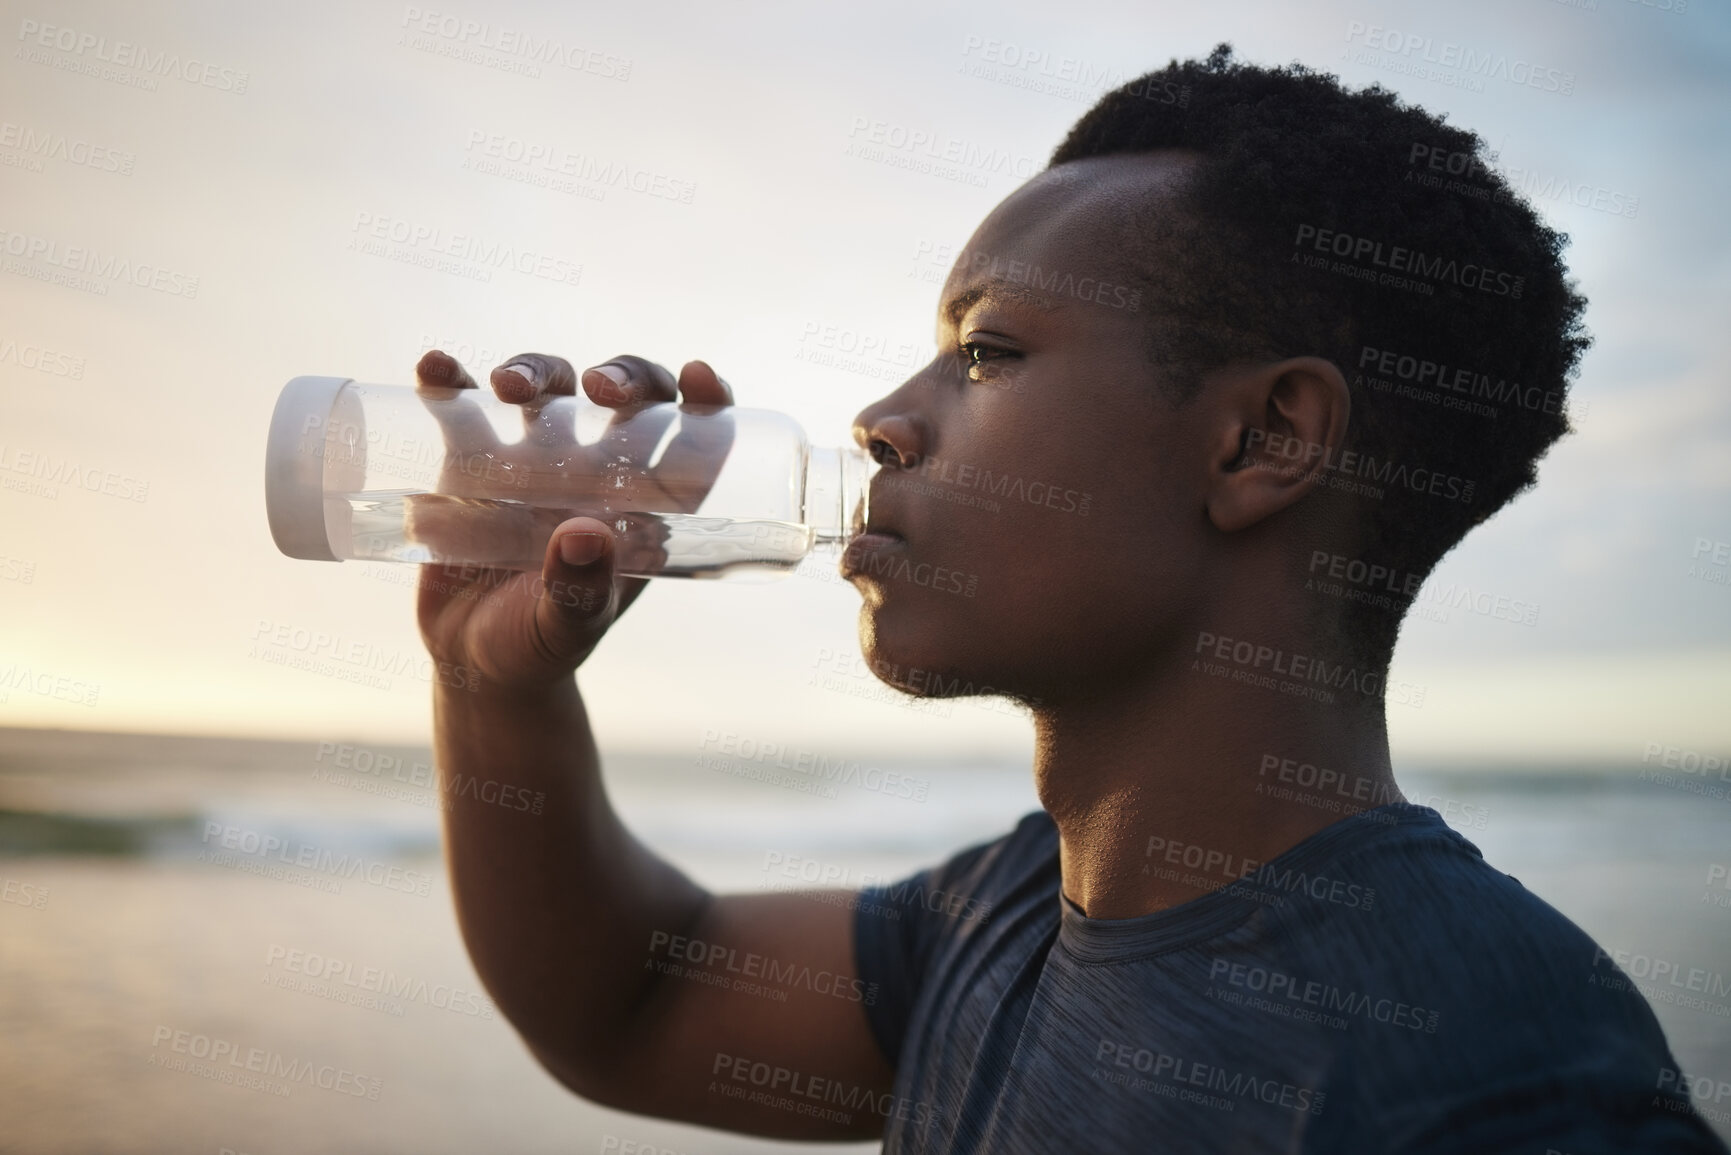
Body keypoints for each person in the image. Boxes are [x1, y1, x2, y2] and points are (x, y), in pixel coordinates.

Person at [411, 45, 1729, 1154]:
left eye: (986, 352)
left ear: (1262, 442)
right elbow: (630, 1006)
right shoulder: (1004, 919)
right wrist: (493, 685)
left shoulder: (1503, 1071)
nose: (878, 422)